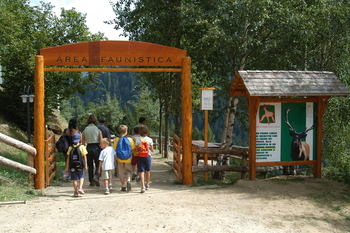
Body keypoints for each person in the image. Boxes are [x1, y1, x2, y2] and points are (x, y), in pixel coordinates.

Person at [81, 114, 102, 187]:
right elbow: (101, 140)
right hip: (96, 146)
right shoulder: (97, 129)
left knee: (90, 165)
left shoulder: (85, 130)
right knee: (98, 164)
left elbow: (83, 142)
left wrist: (83, 149)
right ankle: (97, 176)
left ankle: (91, 180)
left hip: (88, 147)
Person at [113, 125, 135, 192]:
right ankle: (128, 180)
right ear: (126, 131)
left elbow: (114, 150)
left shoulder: (116, 139)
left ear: (119, 131)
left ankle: (123, 186)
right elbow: (133, 149)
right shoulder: (130, 139)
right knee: (128, 171)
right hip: (128, 158)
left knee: (121, 173)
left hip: (119, 159)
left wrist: (115, 160)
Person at [65, 133, 88, 197]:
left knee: (74, 178)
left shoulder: (70, 148)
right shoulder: (82, 147)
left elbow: (68, 158)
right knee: (81, 176)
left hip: (72, 165)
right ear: (80, 139)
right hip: (80, 165)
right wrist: (85, 165)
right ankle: (80, 188)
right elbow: (84, 157)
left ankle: (75, 192)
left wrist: (67, 167)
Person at [135, 125, 154, 193]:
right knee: (148, 171)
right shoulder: (149, 139)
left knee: (141, 171)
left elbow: (137, 149)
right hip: (147, 156)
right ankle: (147, 184)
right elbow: (152, 150)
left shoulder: (138, 139)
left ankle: (142, 186)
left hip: (140, 156)